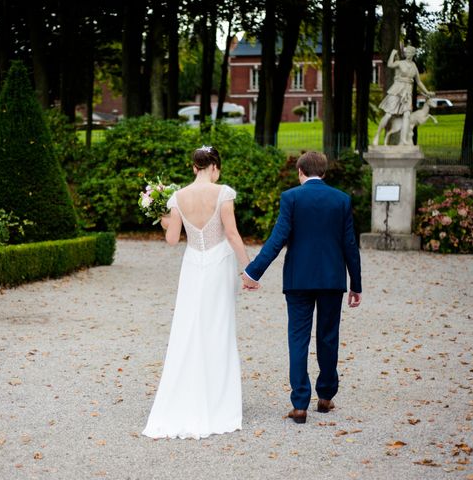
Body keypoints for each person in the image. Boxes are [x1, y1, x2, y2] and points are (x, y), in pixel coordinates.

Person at [241, 151, 362, 424]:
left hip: (298, 281)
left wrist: (253, 272)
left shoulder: (291, 198)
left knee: (298, 339)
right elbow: (350, 246)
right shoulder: (341, 200)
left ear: (300, 172)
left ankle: (299, 404)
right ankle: (326, 396)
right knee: (328, 337)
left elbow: (278, 238)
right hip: (332, 280)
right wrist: (356, 283)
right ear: (325, 173)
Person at [142, 145, 251, 439]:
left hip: (192, 265)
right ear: (215, 167)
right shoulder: (224, 193)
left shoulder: (178, 197)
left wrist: (166, 220)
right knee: (218, 328)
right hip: (219, 264)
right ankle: (218, 398)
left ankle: (186, 392)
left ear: (194, 167)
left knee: (189, 328)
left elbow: (172, 240)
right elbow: (231, 233)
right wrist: (248, 268)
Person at [372, 45, 434, 146]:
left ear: (413, 54)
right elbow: (390, 65)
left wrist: (427, 92)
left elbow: (418, 82)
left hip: (407, 92)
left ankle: (403, 140)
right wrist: (392, 53)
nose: (408, 54)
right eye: (407, 52)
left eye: (410, 52)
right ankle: (377, 135)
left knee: (407, 115)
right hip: (396, 90)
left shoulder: (414, 66)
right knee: (388, 115)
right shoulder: (400, 63)